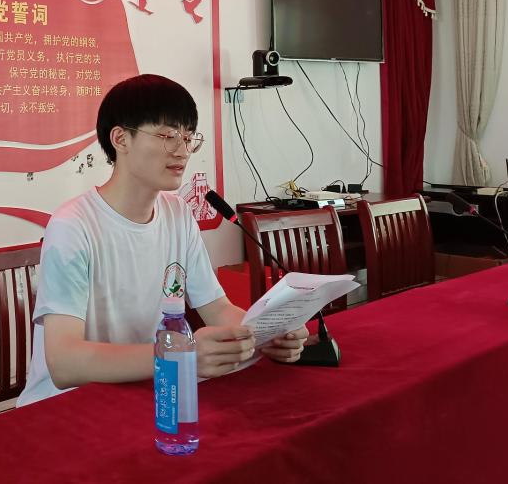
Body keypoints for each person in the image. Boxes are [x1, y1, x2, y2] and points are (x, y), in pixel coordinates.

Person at [18, 74, 309, 406]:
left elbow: (217, 308)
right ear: (120, 139)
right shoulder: (73, 226)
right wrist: (179, 355)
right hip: (68, 406)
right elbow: (64, 363)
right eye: (168, 136)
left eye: (188, 137)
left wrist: (265, 334)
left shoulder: (177, 213)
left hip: (146, 391)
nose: (182, 151)